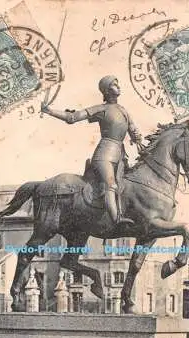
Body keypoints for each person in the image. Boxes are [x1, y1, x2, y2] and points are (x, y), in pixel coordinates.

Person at [41, 75, 143, 227]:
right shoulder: (100, 109)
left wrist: (138, 140)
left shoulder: (123, 110)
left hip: (120, 156)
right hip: (104, 156)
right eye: (115, 84)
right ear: (107, 91)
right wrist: (49, 111)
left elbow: (133, 129)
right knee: (110, 185)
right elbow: (72, 117)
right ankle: (117, 220)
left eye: (118, 83)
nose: (119, 86)